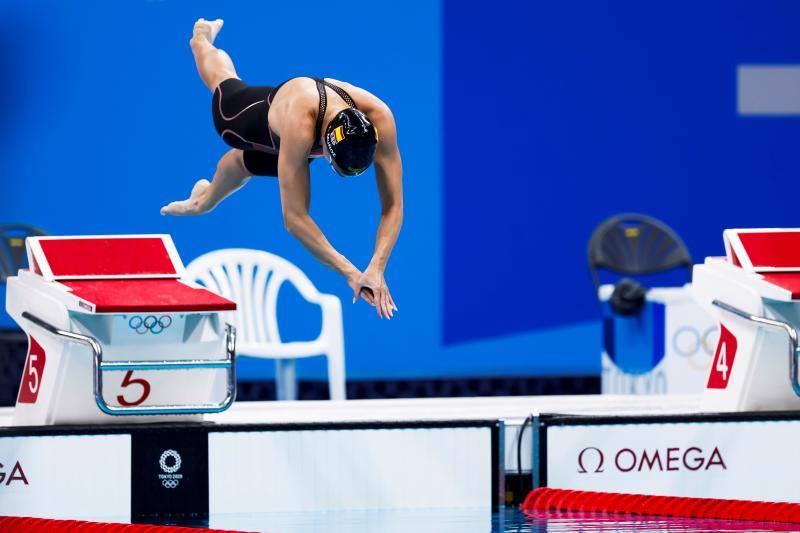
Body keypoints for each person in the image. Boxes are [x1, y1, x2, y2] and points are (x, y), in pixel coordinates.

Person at [162, 18, 403, 319]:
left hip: (299, 137)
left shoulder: (380, 117)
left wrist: (377, 267)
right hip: (261, 119)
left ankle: (204, 197)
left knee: (245, 163)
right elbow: (295, 219)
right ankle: (200, 37)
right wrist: (352, 273)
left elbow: (392, 205)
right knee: (224, 90)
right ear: (327, 145)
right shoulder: (301, 125)